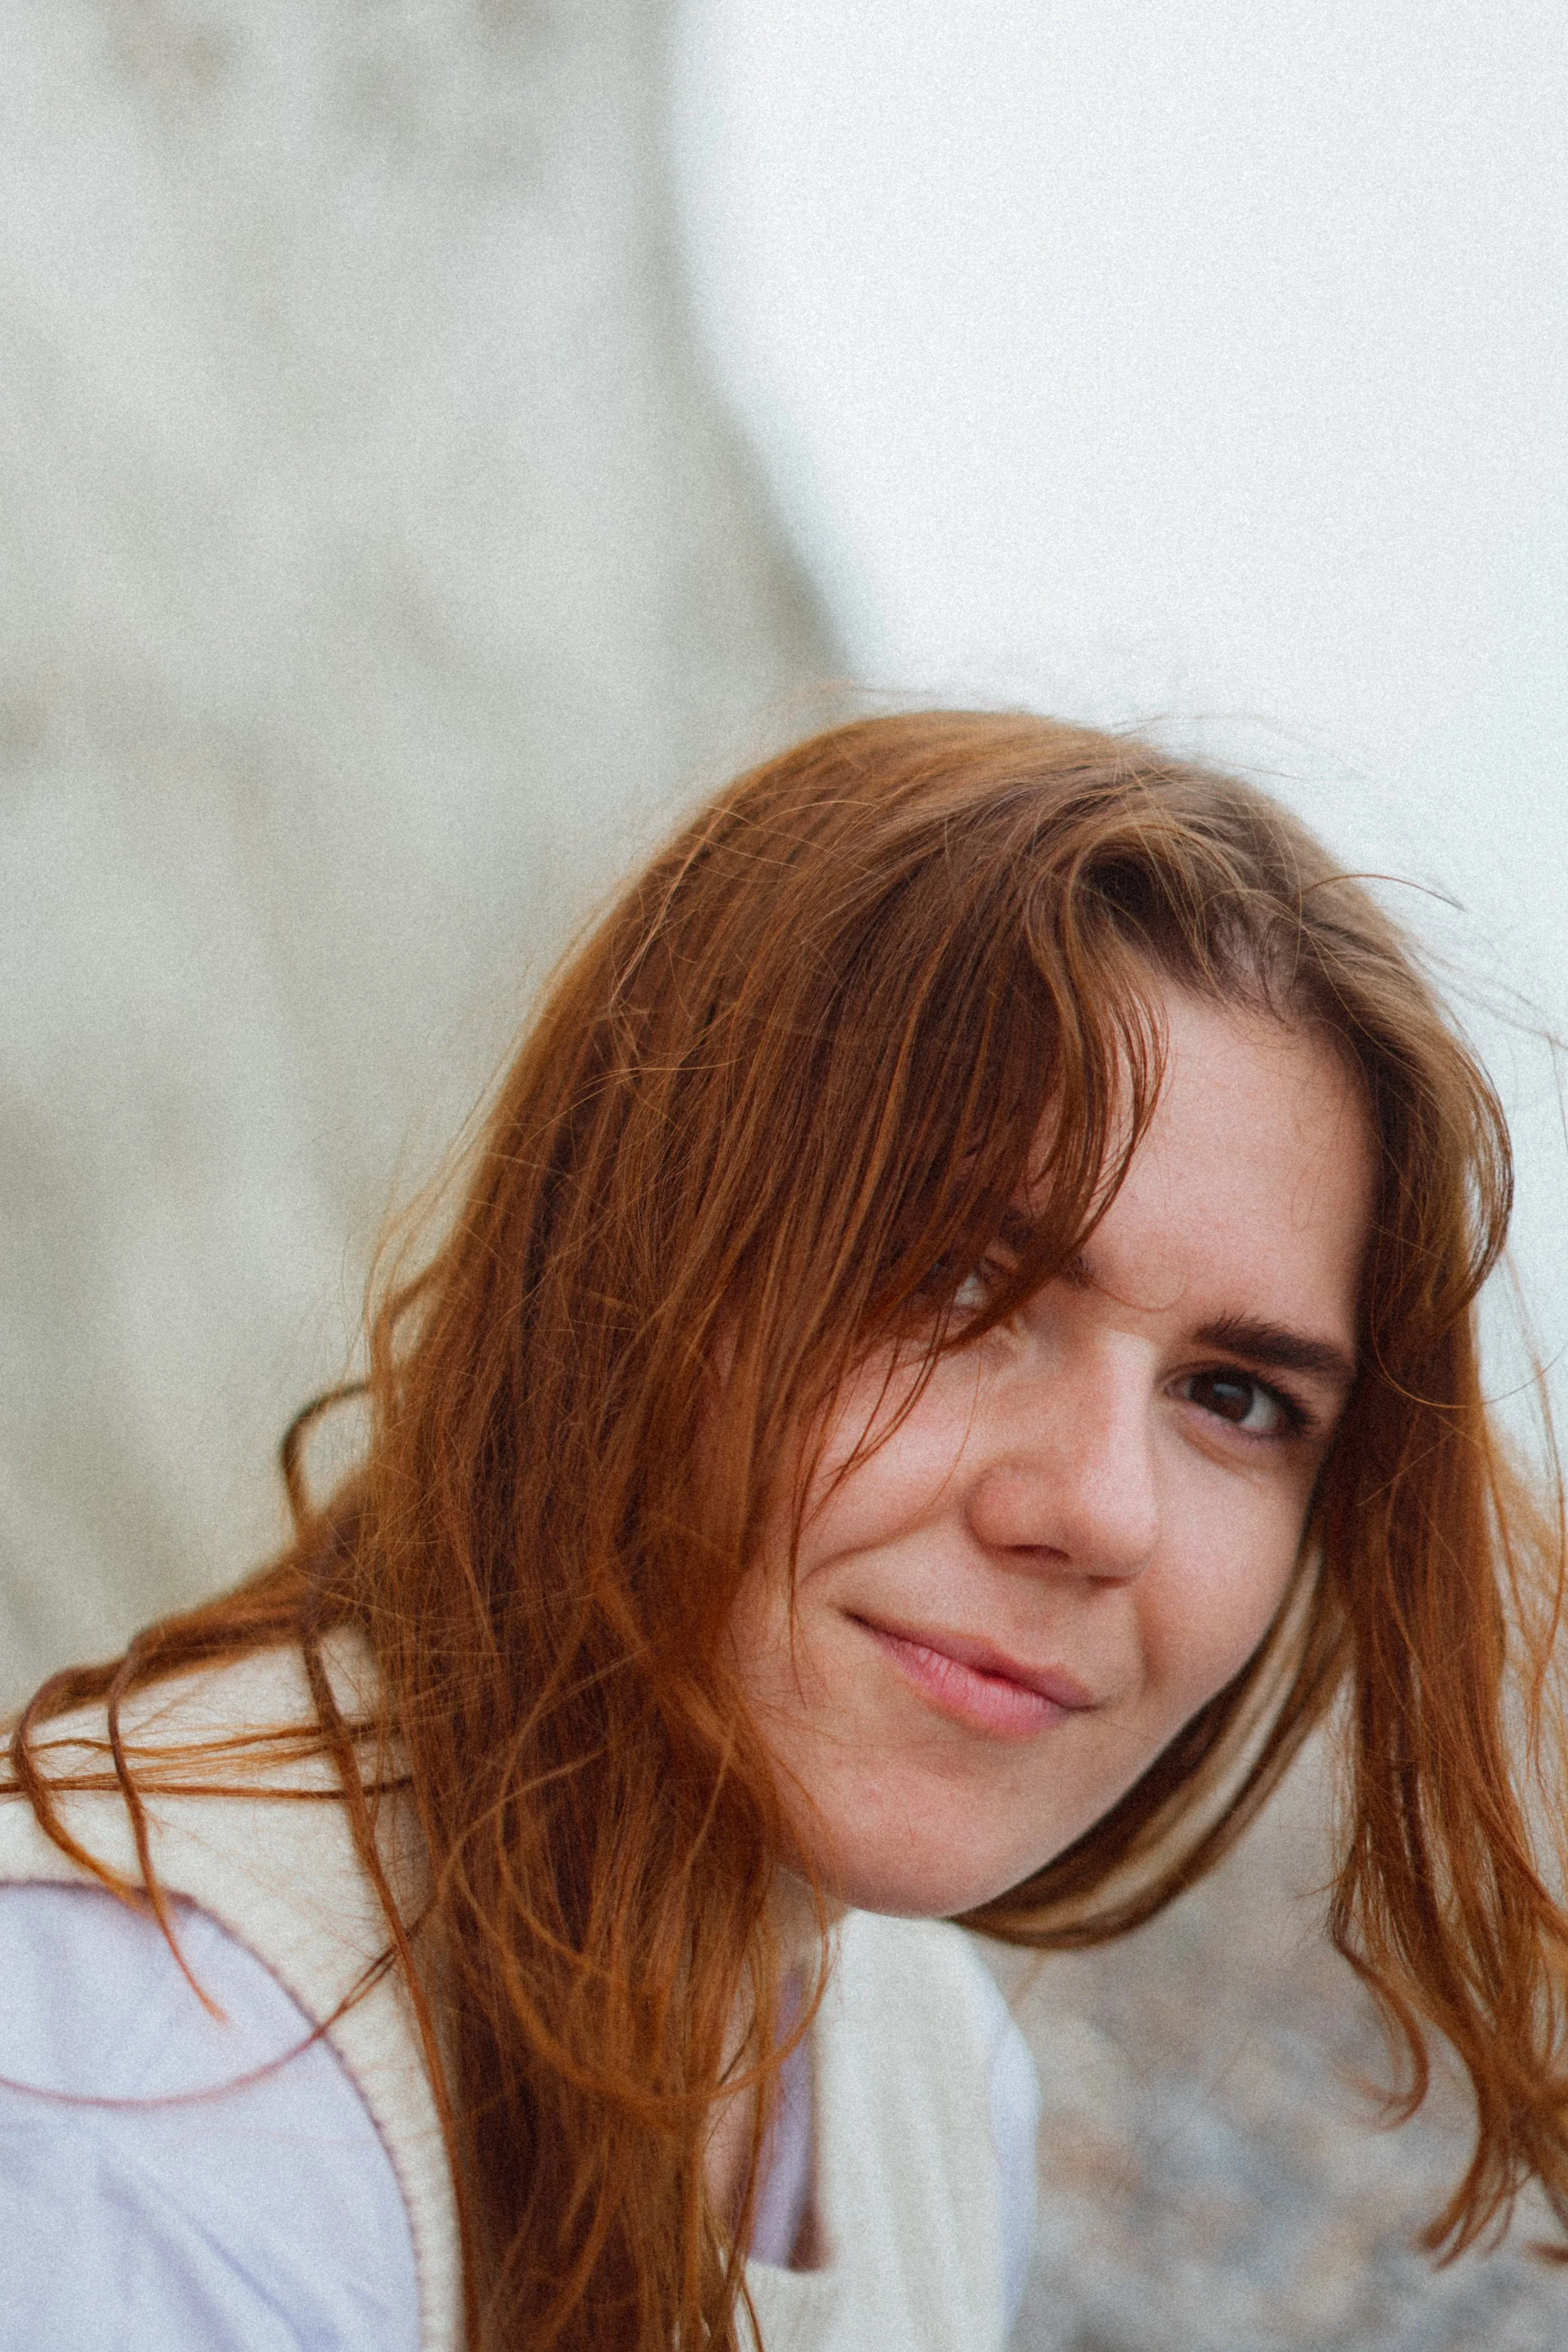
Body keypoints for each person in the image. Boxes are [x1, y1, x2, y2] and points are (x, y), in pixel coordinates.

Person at [3, 709, 1567, 2352]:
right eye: (960, 1286)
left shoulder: (923, 2070)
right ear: (627, 1255)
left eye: (1236, 1395)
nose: (1099, 1505)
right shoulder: (150, 2106)